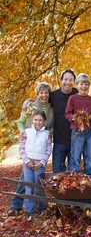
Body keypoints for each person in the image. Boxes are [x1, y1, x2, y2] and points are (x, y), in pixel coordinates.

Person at [8, 82, 54, 216]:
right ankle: (19, 206)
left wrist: (48, 134)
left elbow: (52, 126)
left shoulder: (51, 108)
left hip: (41, 149)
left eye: (46, 92)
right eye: (41, 92)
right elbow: (20, 122)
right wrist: (25, 133)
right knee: (27, 183)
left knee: (36, 183)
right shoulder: (30, 105)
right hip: (29, 147)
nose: (44, 95)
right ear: (37, 93)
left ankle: (41, 206)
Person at [19, 110, 52, 218]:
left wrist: (42, 163)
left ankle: (42, 206)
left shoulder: (47, 134)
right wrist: (27, 161)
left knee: (38, 187)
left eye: (40, 120)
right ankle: (30, 210)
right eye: (36, 119)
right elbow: (21, 149)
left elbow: (48, 151)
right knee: (29, 187)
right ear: (32, 120)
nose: (38, 122)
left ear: (44, 121)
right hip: (28, 163)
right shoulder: (26, 132)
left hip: (39, 164)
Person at [65, 73, 91, 175]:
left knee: (90, 154)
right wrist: (74, 118)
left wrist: (89, 117)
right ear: (77, 85)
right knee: (75, 154)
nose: (84, 86)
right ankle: (74, 174)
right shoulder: (72, 98)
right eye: (81, 84)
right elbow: (67, 113)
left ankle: (89, 174)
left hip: (90, 130)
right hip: (77, 131)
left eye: (86, 84)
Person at [49, 68, 78, 173]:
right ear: (61, 81)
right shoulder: (53, 96)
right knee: (57, 173)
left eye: (71, 80)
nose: (68, 82)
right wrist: (29, 102)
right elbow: (41, 103)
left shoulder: (78, 94)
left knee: (74, 173)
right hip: (59, 141)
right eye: (65, 79)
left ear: (74, 82)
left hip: (75, 141)